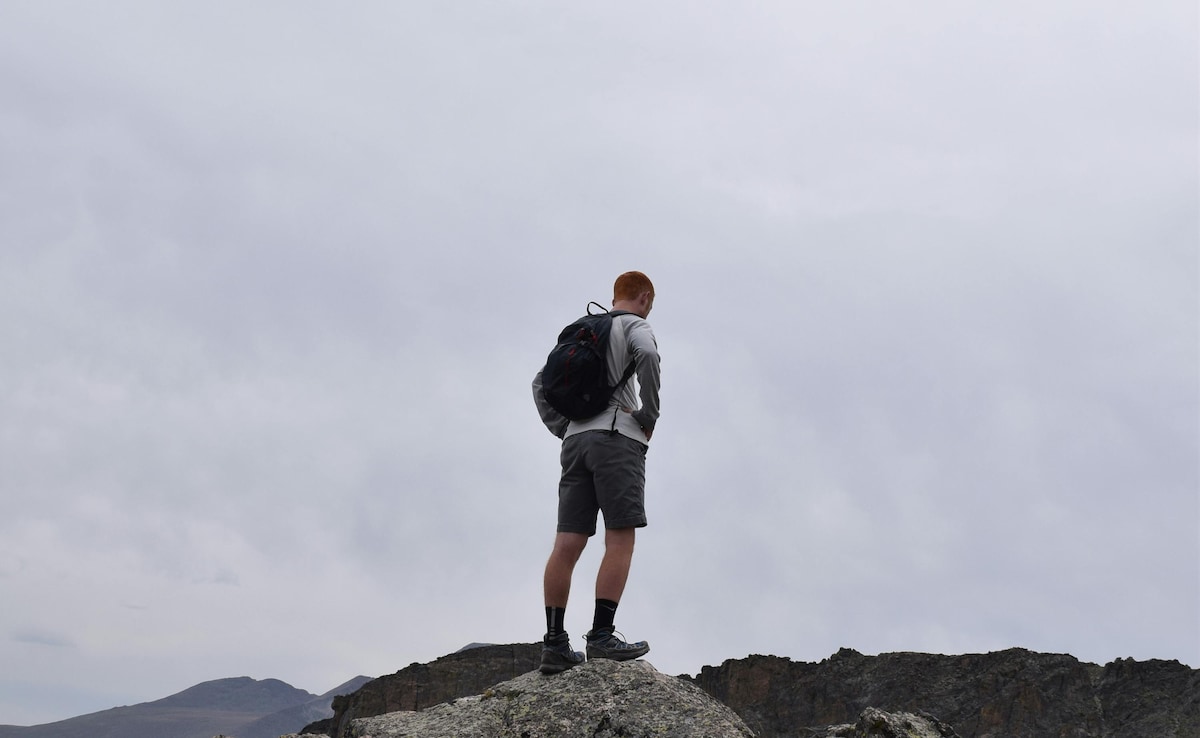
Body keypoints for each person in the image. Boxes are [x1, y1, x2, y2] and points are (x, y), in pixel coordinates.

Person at [531, 270, 661, 675]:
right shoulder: (635, 326)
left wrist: (564, 428)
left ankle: (555, 643)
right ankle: (602, 636)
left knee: (566, 543)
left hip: (575, 443)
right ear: (644, 297)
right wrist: (648, 415)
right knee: (619, 539)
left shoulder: (582, 329)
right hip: (617, 439)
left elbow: (539, 383)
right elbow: (648, 355)